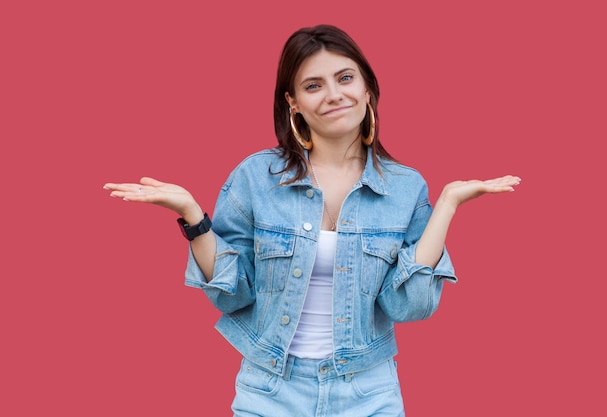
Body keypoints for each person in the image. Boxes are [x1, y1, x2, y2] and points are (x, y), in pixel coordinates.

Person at [104, 24, 520, 417]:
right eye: (313, 85)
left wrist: (448, 204)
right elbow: (233, 294)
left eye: (345, 78)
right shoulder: (256, 177)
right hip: (270, 391)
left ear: (368, 87)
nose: (334, 95)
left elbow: (407, 305)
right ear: (293, 103)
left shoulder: (406, 188)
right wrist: (193, 217)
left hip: (368, 392)